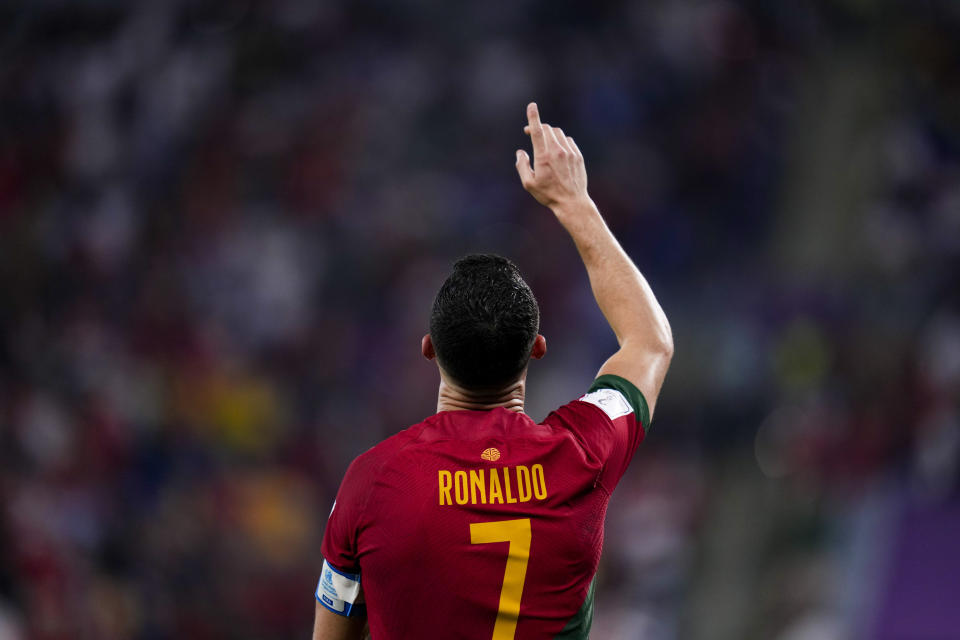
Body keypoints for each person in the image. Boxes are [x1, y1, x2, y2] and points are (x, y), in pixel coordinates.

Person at [312, 103, 673, 640]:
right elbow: (649, 341)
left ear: (429, 349)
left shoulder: (371, 482)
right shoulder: (582, 453)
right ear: (538, 349)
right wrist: (573, 202)